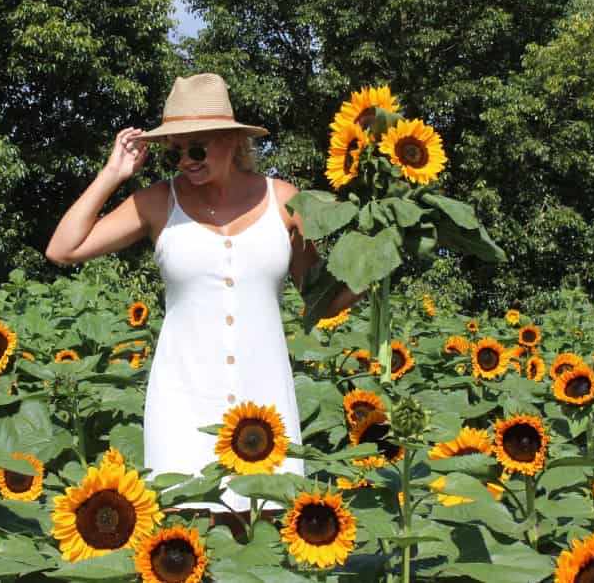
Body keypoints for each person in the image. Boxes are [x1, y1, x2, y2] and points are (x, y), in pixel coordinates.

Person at [45, 73, 359, 531]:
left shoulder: (284, 201)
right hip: (182, 404)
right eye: (175, 151)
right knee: (183, 548)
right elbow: (63, 249)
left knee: (267, 546)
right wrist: (113, 173)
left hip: (264, 404)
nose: (186, 162)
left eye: (197, 148)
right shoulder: (156, 202)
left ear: (233, 142)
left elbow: (322, 299)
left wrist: (379, 262)